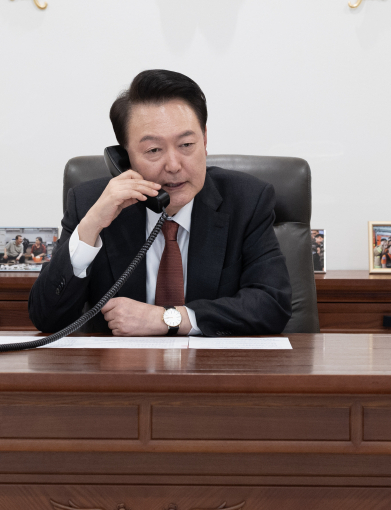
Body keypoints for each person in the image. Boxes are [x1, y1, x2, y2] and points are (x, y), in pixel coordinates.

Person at [28, 69, 292, 337]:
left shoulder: (246, 201)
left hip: (214, 372)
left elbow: (272, 305)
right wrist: (91, 226)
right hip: (118, 374)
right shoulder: (91, 204)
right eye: (154, 150)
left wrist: (169, 319)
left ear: (205, 140)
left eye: (187, 144)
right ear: (123, 158)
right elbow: (47, 319)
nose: (174, 165)